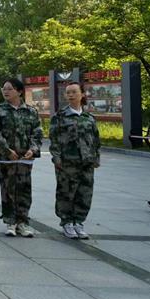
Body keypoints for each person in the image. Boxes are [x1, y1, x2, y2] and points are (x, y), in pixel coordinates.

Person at [0, 78, 43, 238]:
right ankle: (10, 222)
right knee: (8, 190)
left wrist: (33, 149)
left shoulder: (31, 111)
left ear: (19, 91)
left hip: (25, 158)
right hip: (7, 158)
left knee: (24, 191)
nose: (5, 91)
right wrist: (6, 150)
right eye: (4, 89)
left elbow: (37, 132)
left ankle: (23, 222)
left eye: (9, 89)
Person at [49, 81, 101, 240]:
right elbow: (54, 139)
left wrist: (96, 157)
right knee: (66, 192)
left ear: (82, 94)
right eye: (68, 92)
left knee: (84, 193)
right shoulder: (60, 116)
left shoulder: (89, 117)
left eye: (74, 92)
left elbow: (96, 139)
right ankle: (66, 222)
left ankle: (79, 222)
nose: (70, 95)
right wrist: (56, 158)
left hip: (87, 162)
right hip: (67, 162)